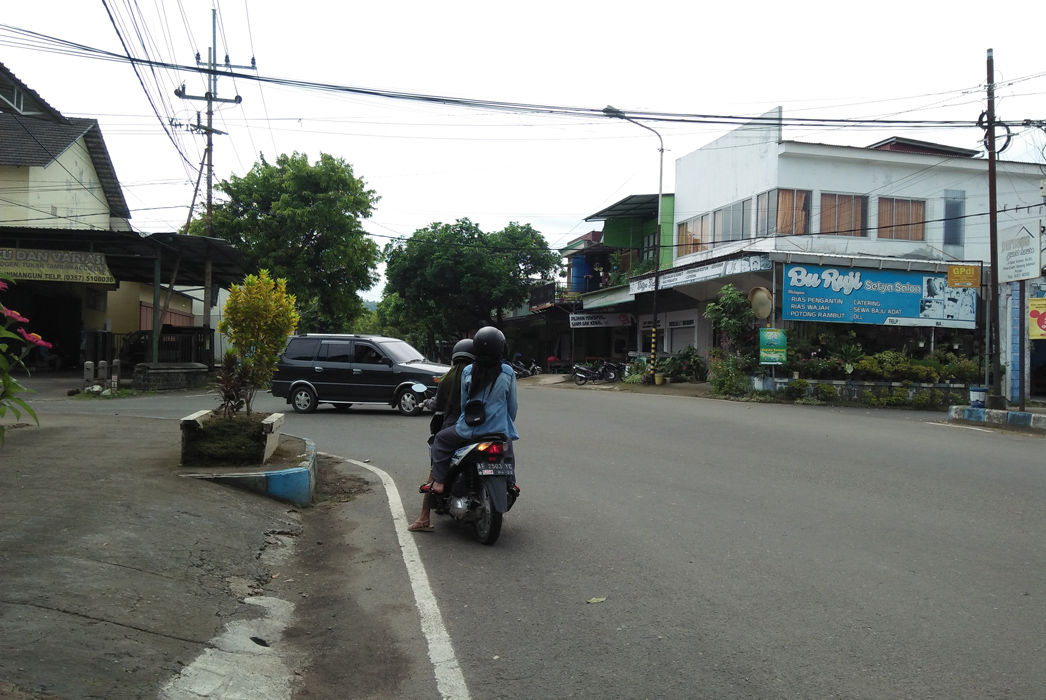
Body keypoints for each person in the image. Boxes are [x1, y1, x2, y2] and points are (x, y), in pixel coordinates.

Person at [424, 325, 519, 496]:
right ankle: (511, 482)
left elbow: (464, 404)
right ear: (501, 348)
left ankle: (438, 482)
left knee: (441, 440)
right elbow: (512, 408)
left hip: (470, 430)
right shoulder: (508, 372)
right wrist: (504, 424)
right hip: (499, 430)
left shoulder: (468, 371)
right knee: (508, 449)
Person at [408, 338, 475, 533]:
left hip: (455, 429)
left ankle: (423, 517)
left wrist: (426, 403)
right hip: (482, 430)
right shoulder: (481, 377)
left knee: (437, 460)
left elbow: (438, 403)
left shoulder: (448, 379)